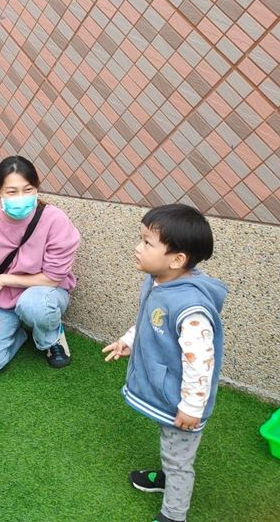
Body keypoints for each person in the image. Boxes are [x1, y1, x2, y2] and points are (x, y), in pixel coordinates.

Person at [102, 204, 227, 522]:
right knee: (171, 447)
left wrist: (192, 407)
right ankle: (166, 478)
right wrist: (129, 340)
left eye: (147, 242)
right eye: (140, 238)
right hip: (168, 392)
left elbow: (201, 364)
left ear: (177, 259)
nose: (137, 247)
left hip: (182, 401)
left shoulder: (191, 308)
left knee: (179, 460)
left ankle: (173, 515)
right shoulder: (159, 280)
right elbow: (149, 320)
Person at [0, 156, 80, 377]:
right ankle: (18, 334)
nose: (21, 198)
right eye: (12, 192)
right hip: (1, 298)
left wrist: (4, 279)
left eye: (28, 190)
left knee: (33, 305)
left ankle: (51, 337)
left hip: (43, 293)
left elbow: (53, 277)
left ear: (37, 188)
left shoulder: (55, 219)